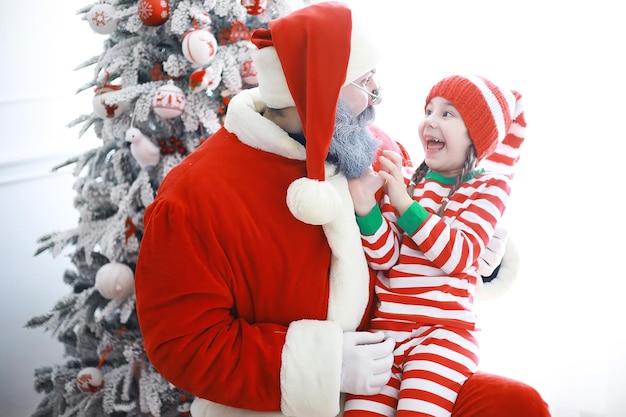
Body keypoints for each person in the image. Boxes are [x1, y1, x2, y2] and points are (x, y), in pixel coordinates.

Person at [134, 2, 551, 416]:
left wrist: (482, 259)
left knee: (515, 406)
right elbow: (183, 343)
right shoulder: (194, 197)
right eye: (366, 82)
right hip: (281, 405)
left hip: (408, 363)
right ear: (321, 86)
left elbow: (421, 247)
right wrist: (324, 367)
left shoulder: (375, 146)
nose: (379, 97)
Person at [344, 74, 524, 416]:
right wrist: (366, 208)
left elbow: (459, 255)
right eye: (428, 110)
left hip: (444, 336)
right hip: (386, 334)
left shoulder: (490, 187)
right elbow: (385, 257)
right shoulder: (409, 181)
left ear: (476, 134)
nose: (429, 120)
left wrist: (403, 202)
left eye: (446, 114)